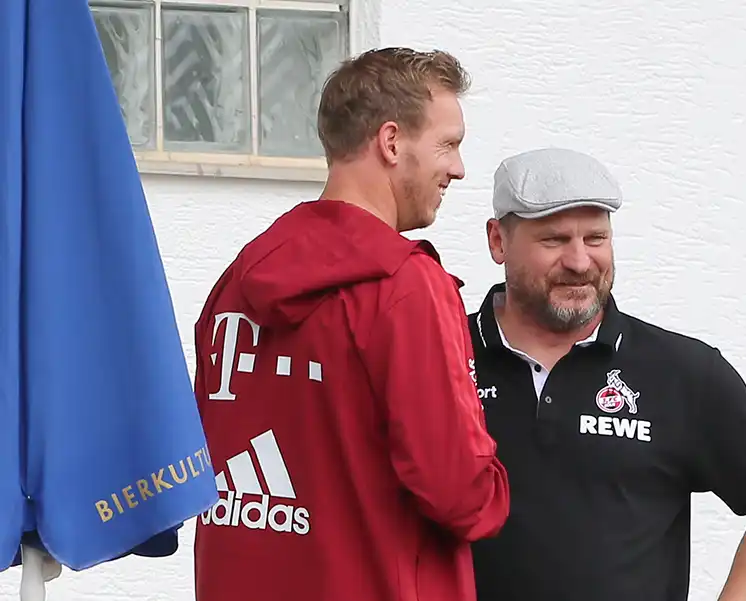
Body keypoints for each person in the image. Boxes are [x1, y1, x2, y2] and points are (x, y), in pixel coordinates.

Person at [191, 47, 510, 601]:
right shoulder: (405, 286)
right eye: (448, 144)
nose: (458, 167)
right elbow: (458, 492)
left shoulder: (236, 281)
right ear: (391, 143)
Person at [466, 147, 746, 601]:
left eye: (595, 238)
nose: (579, 261)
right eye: (554, 240)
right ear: (498, 241)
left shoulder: (680, 371)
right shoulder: (440, 356)